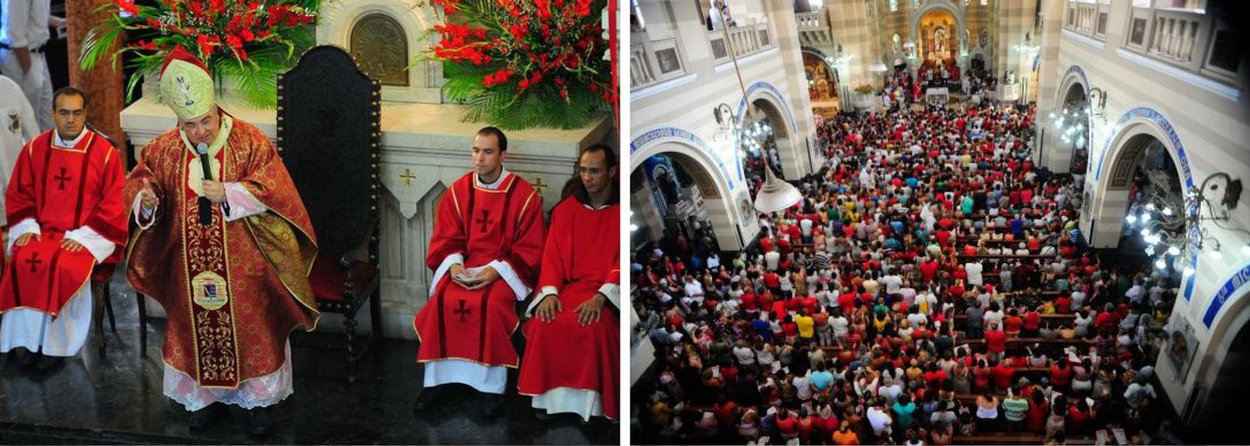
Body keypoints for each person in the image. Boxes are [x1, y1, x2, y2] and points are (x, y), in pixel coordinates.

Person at [123, 48, 318, 435]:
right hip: (187, 263)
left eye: (206, 121)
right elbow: (143, 182)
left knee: (254, 327)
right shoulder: (163, 149)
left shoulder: (249, 141)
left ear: (216, 110)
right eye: (191, 125)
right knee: (193, 327)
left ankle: (260, 403)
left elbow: (277, 191)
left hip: (246, 261)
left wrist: (230, 193)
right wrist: (145, 200)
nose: (200, 132)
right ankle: (204, 400)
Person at [412, 126, 546, 418]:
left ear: (502, 155)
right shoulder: (459, 192)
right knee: (443, 300)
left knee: (491, 304)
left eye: (487, 152)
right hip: (464, 265)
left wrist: (494, 272)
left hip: (502, 272)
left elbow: (529, 249)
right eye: (475, 151)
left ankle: (489, 388)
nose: (479, 158)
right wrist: (454, 266)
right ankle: (434, 382)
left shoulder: (524, 196)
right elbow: (446, 238)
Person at [0, 86, 126, 372]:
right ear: (52, 113)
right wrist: (27, 227)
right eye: (64, 113)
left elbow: (113, 204)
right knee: (23, 259)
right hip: (41, 232)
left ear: (86, 114)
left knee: (62, 266)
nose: (71, 120)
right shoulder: (35, 149)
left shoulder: (104, 153)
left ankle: (55, 346)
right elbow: (20, 193)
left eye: (77, 113)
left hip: (84, 235)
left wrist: (83, 238)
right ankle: (25, 341)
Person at [518, 144, 619, 423]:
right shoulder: (565, 210)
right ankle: (547, 400)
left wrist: (601, 297)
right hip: (569, 288)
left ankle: (593, 407)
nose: (587, 177)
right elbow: (552, 257)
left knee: (596, 326)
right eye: (583, 171)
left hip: (604, 291)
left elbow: (622, 262)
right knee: (545, 320)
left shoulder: (622, 211)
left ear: (611, 171)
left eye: (594, 171)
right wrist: (550, 292)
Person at [0, 0, 65, 130]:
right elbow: (15, 34)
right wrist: (28, 69)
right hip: (20, 57)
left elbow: (34, 13)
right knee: (26, 121)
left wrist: (55, 21)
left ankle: (47, 144)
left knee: (47, 117)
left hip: (38, 54)